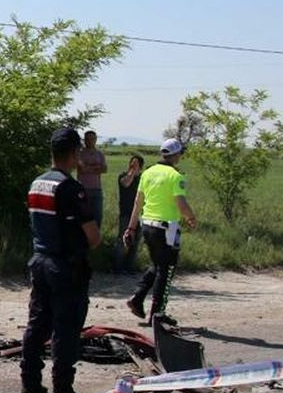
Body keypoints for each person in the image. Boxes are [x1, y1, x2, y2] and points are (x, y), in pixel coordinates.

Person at [21, 127, 99, 393]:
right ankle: (62, 391)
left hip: (40, 261)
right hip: (65, 266)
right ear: (75, 152)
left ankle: (30, 383)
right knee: (66, 331)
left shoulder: (36, 183)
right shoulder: (71, 188)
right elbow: (93, 236)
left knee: (37, 324)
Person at [124, 138, 197, 325]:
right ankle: (158, 315)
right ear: (176, 155)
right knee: (167, 270)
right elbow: (181, 203)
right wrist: (190, 217)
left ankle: (137, 299)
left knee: (157, 265)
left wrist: (131, 227)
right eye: (181, 153)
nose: (181, 156)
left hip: (147, 225)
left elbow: (138, 202)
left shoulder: (148, 173)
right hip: (167, 228)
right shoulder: (175, 176)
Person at [112, 154, 145, 273]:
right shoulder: (123, 176)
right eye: (131, 163)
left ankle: (129, 266)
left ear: (141, 167)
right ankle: (118, 268)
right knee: (122, 240)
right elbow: (126, 184)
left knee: (135, 241)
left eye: (136, 164)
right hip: (126, 213)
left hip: (139, 215)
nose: (132, 165)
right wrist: (131, 172)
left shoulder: (143, 179)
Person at [77, 130, 107, 231]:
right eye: (87, 139)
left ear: (96, 140)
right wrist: (96, 167)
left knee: (97, 216)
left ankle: (95, 240)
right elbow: (81, 169)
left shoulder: (99, 154)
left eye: (92, 139)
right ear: (84, 140)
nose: (89, 141)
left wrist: (88, 167)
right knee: (83, 216)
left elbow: (104, 169)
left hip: (97, 189)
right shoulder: (79, 154)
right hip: (83, 189)